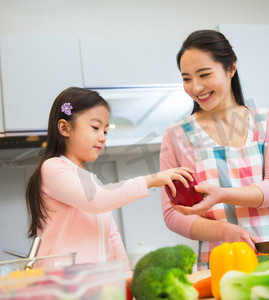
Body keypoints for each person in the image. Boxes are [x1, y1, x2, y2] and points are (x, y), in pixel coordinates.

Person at [26, 87, 193, 276]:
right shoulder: (53, 168)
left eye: (106, 131)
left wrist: (127, 280)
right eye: (95, 128)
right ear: (65, 128)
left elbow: (112, 238)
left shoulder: (93, 182)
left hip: (96, 286)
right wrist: (150, 180)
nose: (102, 137)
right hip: (62, 285)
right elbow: (95, 201)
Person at [160, 30, 269, 270]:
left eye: (204, 74)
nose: (196, 87)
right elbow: (173, 213)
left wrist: (222, 194)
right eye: (186, 78)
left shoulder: (266, 120)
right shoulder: (176, 136)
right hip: (219, 260)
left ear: (231, 69)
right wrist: (226, 231)